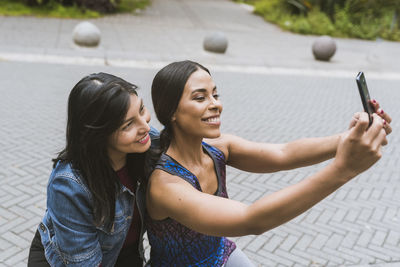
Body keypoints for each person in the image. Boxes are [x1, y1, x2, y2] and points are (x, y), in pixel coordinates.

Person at [145, 60, 392, 266]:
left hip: (220, 255)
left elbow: (284, 153)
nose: (216, 104)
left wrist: (349, 137)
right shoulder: (165, 185)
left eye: (215, 94)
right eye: (200, 98)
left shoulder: (217, 147)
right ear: (172, 112)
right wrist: (343, 169)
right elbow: (251, 219)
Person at [28, 73, 159, 267]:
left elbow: (190, 144)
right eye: (128, 125)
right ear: (98, 134)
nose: (145, 126)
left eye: (141, 109)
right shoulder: (69, 186)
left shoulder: (145, 141)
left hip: (123, 252)